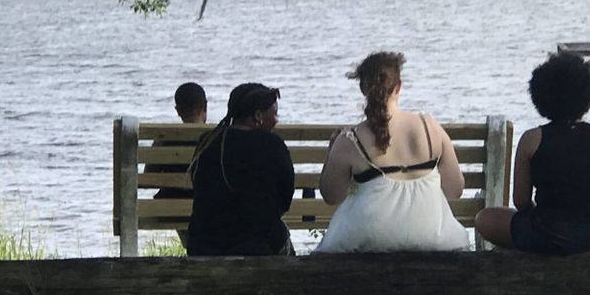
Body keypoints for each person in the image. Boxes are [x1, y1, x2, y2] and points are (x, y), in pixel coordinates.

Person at [314, 51, 470, 253]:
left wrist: (332, 150)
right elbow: (455, 191)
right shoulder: (430, 127)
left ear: (363, 89)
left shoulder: (350, 140)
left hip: (368, 238)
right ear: (399, 86)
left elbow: (332, 196)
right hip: (435, 237)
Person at [474, 51, 590, 254]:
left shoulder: (532, 139)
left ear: (541, 95)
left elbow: (521, 201)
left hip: (549, 235)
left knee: (485, 219)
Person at [186, 83, 295, 256]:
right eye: (274, 114)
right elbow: (285, 198)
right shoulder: (272, 145)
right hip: (257, 246)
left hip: (203, 245)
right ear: (258, 116)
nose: (276, 120)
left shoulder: (208, 141)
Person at [149, 82, 207, 247]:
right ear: (204, 107)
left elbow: (149, 179)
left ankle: (195, 249)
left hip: (170, 208)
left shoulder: (164, 137)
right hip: (208, 207)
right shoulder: (216, 137)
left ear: (177, 110)